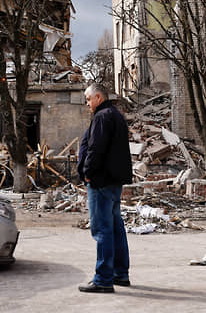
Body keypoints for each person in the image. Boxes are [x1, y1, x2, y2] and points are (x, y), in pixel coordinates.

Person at [76, 83, 132, 293]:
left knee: (102, 230)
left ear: (98, 97)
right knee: (116, 228)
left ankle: (103, 279)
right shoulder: (115, 115)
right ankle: (120, 273)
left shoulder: (102, 117)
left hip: (101, 182)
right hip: (113, 182)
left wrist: (88, 173)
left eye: (88, 99)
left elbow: (95, 148)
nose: (87, 103)